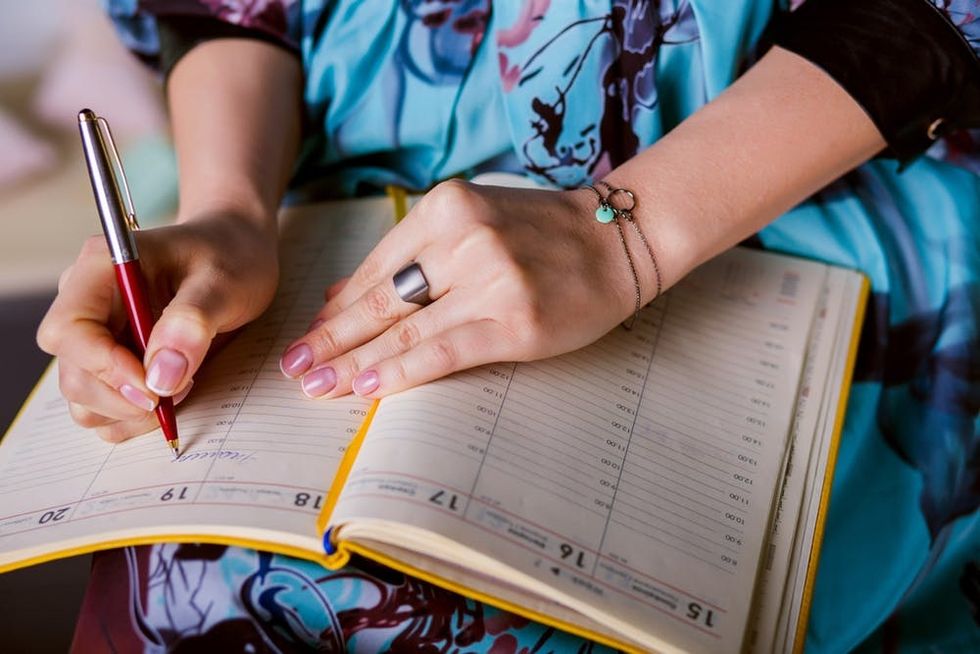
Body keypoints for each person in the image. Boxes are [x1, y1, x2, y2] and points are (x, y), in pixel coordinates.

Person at [37, 0, 979, 651]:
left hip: (781, 196)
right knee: (196, 588)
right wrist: (230, 210)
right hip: (327, 206)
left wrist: (626, 238)